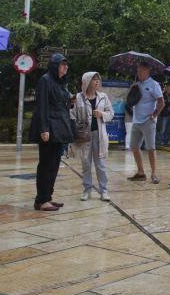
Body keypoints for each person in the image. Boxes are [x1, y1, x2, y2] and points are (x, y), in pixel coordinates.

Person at [29, 53, 74, 212]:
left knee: (54, 165)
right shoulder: (45, 80)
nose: (66, 67)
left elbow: (61, 105)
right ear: (55, 66)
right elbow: (42, 106)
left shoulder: (61, 83)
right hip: (49, 129)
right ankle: (41, 200)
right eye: (63, 64)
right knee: (46, 165)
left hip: (59, 129)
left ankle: (48, 197)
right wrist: (44, 129)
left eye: (66, 65)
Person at [73, 72, 113, 201]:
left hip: (99, 135)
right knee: (86, 163)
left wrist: (101, 114)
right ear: (87, 81)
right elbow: (72, 114)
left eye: (98, 80)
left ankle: (104, 191)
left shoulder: (103, 97)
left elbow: (111, 113)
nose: (97, 82)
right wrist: (79, 123)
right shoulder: (79, 97)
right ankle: (87, 190)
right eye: (94, 79)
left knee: (100, 164)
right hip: (84, 135)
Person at [127, 61, 164, 183]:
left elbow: (161, 102)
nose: (139, 72)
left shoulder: (154, 84)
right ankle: (141, 172)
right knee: (133, 146)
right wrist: (132, 90)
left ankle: (154, 174)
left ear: (148, 71)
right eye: (137, 70)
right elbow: (130, 100)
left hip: (148, 121)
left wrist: (154, 115)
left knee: (151, 148)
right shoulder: (136, 84)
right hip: (136, 120)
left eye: (141, 70)